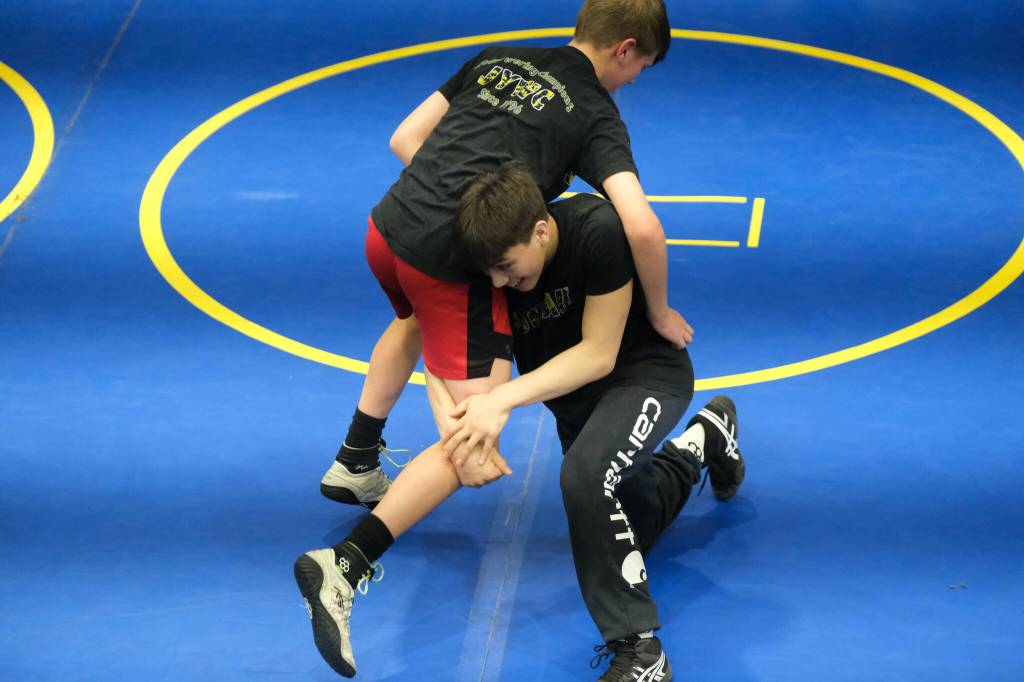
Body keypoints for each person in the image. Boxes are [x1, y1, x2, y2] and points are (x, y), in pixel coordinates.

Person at [294, 163, 746, 680]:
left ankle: (640, 652)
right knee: (628, 527)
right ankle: (707, 437)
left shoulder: (595, 230)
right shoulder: (492, 270)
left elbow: (598, 355)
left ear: (540, 229)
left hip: (643, 378)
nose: (500, 282)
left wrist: (500, 399)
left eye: (507, 267)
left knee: (584, 478)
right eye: (491, 273)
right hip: (579, 406)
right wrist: (456, 426)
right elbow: (438, 346)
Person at [320, 0, 694, 510]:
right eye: (640, 69)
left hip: (385, 230)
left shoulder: (500, 57)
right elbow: (643, 227)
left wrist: (443, 198)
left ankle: (356, 458)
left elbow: (405, 138)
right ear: (625, 49)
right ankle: (355, 557)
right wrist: (659, 311)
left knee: (412, 320)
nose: (632, 82)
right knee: (476, 433)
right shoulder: (593, 112)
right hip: (444, 262)